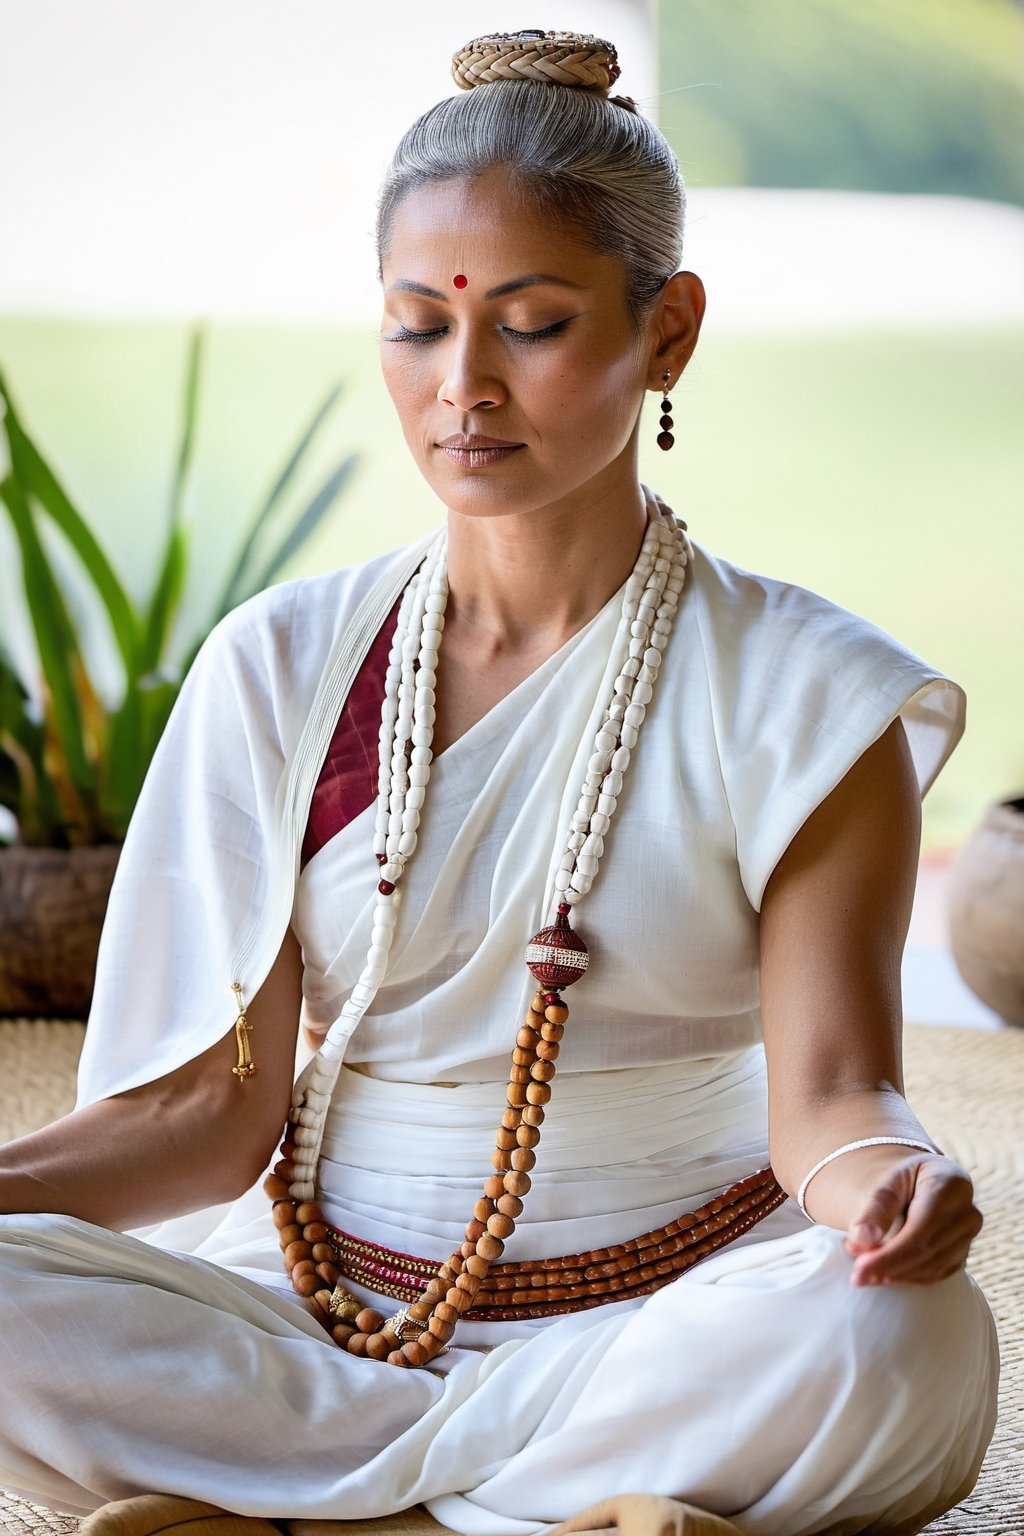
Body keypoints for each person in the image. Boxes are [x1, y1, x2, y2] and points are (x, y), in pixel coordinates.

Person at [0, 29, 998, 1536]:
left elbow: (836, 1096)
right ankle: (541, 1509)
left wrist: (892, 1190)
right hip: (327, 1316)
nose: (462, 386)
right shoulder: (282, 666)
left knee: (903, 1342)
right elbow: (212, 1114)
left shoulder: (810, 695)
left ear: (668, 332)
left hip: (669, 1313)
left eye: (530, 324)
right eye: (417, 327)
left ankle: (297, 1505)